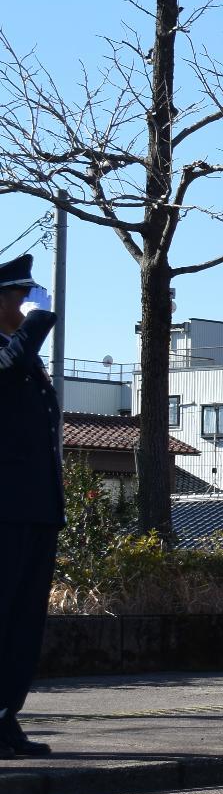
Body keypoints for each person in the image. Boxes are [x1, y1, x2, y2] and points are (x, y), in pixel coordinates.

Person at [0, 255, 60, 758]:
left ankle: (5, 716)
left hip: (35, 506)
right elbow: (9, 365)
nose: (26, 304)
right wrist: (40, 319)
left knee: (23, 621)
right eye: (19, 296)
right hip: (4, 508)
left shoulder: (24, 354)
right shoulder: (13, 353)